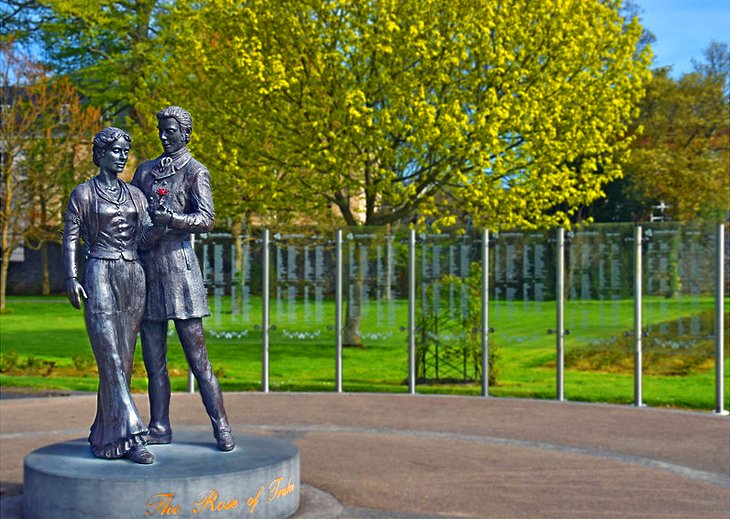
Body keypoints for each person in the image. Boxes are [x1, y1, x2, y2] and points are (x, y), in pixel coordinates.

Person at [132, 106, 234, 451]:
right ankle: (159, 425)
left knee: (198, 358)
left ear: (185, 133)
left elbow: (206, 218)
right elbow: (132, 214)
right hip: (148, 269)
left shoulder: (195, 171)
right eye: (161, 130)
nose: (163, 135)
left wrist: (172, 219)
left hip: (180, 271)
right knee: (154, 359)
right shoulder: (144, 171)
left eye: (170, 130)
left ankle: (221, 426)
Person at [63, 127, 163, 464]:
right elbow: (70, 238)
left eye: (125, 151)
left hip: (133, 275)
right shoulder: (83, 194)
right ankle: (135, 436)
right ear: (100, 153)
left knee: (122, 360)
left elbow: (146, 237)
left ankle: (105, 437)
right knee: (109, 356)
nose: (122, 156)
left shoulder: (136, 195)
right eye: (116, 150)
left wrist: (165, 221)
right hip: (99, 272)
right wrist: (71, 277)